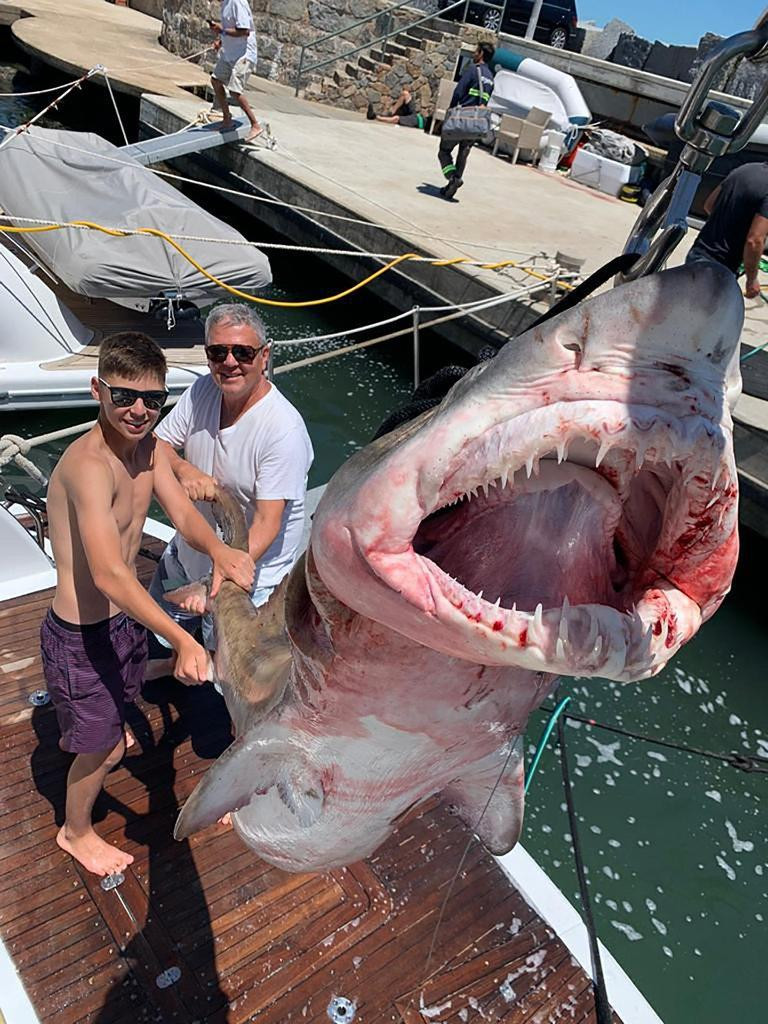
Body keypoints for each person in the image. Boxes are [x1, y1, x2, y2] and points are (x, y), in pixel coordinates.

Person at [40, 332, 255, 878]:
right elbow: (111, 574)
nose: (138, 410)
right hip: (81, 634)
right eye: (123, 396)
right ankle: (76, 831)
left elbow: (183, 516)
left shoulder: (151, 449)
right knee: (106, 751)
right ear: (97, 390)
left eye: (152, 399)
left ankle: (108, 711)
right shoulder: (88, 467)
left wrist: (220, 551)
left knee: (130, 686)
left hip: (123, 626)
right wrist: (182, 638)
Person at [146, 303, 314, 675]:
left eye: (243, 352)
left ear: (265, 356)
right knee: (167, 631)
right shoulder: (204, 389)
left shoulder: (282, 431)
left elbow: (268, 525)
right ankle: (175, 659)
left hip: (246, 579)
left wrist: (213, 582)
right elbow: (156, 442)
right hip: (188, 553)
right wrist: (183, 466)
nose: (230, 362)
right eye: (218, 352)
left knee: (233, 677)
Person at [686, 162, 768, 299]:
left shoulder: (744, 169)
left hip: (697, 254)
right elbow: (755, 240)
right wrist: (751, 279)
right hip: (718, 271)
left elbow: (709, 205)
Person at [437, 41, 495, 202]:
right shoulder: (491, 78)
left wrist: (450, 113)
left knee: (444, 151)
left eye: (476, 51)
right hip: (476, 123)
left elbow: (458, 93)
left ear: (481, 54)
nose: (474, 54)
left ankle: (452, 178)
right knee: (463, 154)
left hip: (461, 119)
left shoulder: (472, 70)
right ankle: (451, 188)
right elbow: (485, 100)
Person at [207, 0, 262, 141]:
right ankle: (227, 118)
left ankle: (255, 125)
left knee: (235, 91)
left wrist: (222, 31)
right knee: (216, 80)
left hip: (244, 54)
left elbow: (244, 31)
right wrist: (220, 40)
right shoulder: (225, 4)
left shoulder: (237, 3)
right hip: (230, 53)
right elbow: (229, 27)